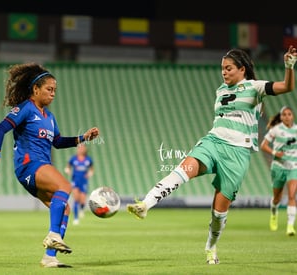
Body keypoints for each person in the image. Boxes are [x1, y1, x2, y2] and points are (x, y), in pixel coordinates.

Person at [127, 45, 297, 264]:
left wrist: (289, 66)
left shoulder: (255, 87)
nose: (224, 72)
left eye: (228, 68)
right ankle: (146, 204)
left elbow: (286, 87)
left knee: (219, 212)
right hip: (213, 142)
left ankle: (211, 247)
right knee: (184, 169)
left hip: (238, 153)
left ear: (242, 69)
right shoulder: (220, 90)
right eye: (222, 69)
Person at [0, 62, 99, 268]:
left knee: (65, 209)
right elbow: (0, 129)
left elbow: (58, 142)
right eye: (49, 89)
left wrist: (83, 137)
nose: (53, 94)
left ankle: (49, 257)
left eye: (55, 90)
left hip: (37, 168)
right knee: (65, 187)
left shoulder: (50, 118)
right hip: (29, 165)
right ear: (35, 89)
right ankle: (54, 235)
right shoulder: (26, 109)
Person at [260, 106, 297, 236]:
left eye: (289, 114)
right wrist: (275, 153)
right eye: (284, 115)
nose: (287, 117)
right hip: (278, 167)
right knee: (277, 198)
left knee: (292, 195)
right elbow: (263, 145)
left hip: (293, 167)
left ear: (292, 116)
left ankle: (290, 226)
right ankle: (274, 211)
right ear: (280, 117)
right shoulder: (276, 130)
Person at [65, 144, 94, 225]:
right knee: (76, 199)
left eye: (82, 148)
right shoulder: (73, 158)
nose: (80, 149)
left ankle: (81, 209)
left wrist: (90, 174)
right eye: (79, 148)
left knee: (82, 200)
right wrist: (68, 170)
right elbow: (68, 166)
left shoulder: (88, 159)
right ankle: (76, 218)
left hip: (84, 181)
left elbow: (92, 169)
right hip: (75, 181)